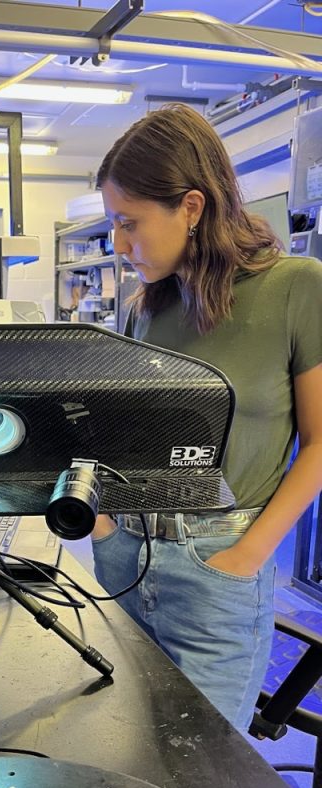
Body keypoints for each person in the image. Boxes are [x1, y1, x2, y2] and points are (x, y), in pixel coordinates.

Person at [92, 104, 322, 731]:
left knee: (204, 779)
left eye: (129, 223)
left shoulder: (297, 288)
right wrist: (105, 524)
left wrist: (250, 554)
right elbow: (123, 431)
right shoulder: (145, 308)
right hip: (125, 557)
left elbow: (321, 444)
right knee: (127, 752)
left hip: (218, 565)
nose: (119, 244)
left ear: (191, 208)